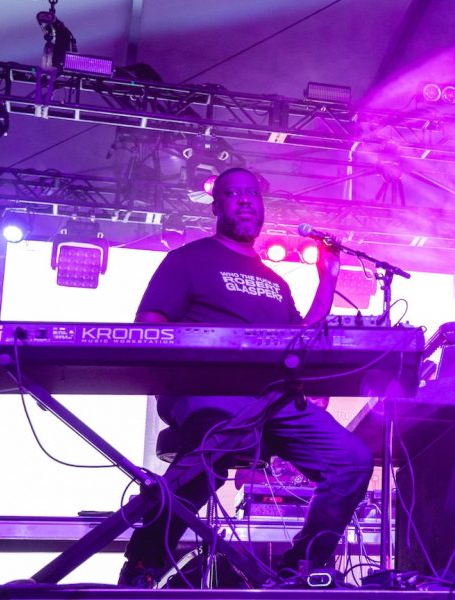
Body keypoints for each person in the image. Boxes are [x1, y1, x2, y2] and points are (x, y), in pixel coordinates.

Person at [119, 167, 374, 587]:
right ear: (217, 206)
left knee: (352, 460)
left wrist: (327, 279)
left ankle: (302, 566)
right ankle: (145, 563)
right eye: (233, 194)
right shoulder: (190, 259)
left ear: (261, 208)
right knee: (217, 445)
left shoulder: (276, 283)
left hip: (273, 402)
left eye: (252, 194)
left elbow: (302, 339)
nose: (244, 200)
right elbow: (150, 325)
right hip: (209, 392)